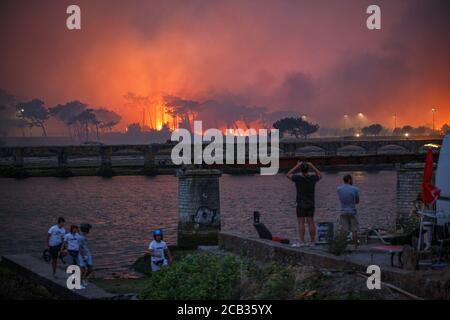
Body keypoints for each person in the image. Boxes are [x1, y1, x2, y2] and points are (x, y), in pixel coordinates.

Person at [287, 161, 322, 247]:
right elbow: (320, 175)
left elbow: (288, 174)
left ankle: (302, 241)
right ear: (308, 169)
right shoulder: (313, 178)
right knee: (311, 222)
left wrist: (297, 166)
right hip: (310, 203)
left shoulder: (297, 178)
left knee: (301, 223)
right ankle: (312, 242)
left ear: (301, 170)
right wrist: (312, 166)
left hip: (300, 203)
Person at [337, 174, 360, 249]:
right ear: (349, 180)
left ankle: (341, 245)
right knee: (354, 230)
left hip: (343, 211)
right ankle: (355, 246)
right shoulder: (355, 189)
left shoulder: (339, 189)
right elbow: (357, 201)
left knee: (344, 230)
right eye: (352, 179)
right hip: (352, 211)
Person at [78, 223, 93, 288]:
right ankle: (80, 283)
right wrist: (83, 257)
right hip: (83, 255)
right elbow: (80, 248)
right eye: (88, 229)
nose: (89, 230)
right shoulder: (81, 238)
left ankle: (84, 279)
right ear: (86, 230)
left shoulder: (84, 236)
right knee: (83, 270)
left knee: (90, 269)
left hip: (88, 254)